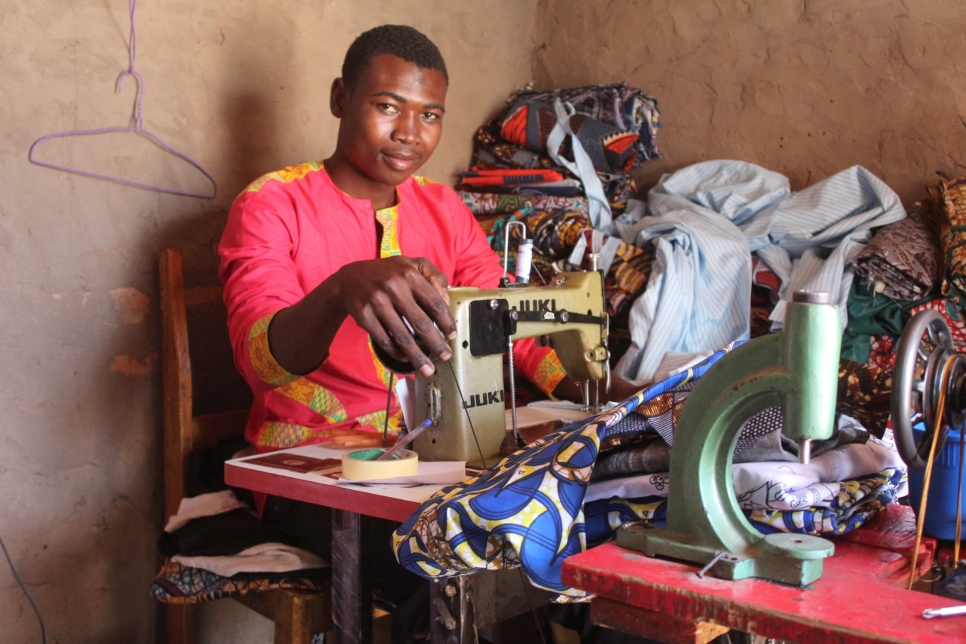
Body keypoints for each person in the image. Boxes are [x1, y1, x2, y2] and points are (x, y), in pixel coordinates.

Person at [219, 23, 638, 642]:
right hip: (312, 472)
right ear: (340, 98)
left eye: (430, 114)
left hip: (438, 458)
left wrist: (602, 386)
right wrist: (340, 288)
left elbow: (515, 332)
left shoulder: (446, 210)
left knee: (606, 534)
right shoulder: (272, 205)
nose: (410, 133)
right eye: (388, 107)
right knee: (449, 561)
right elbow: (262, 360)